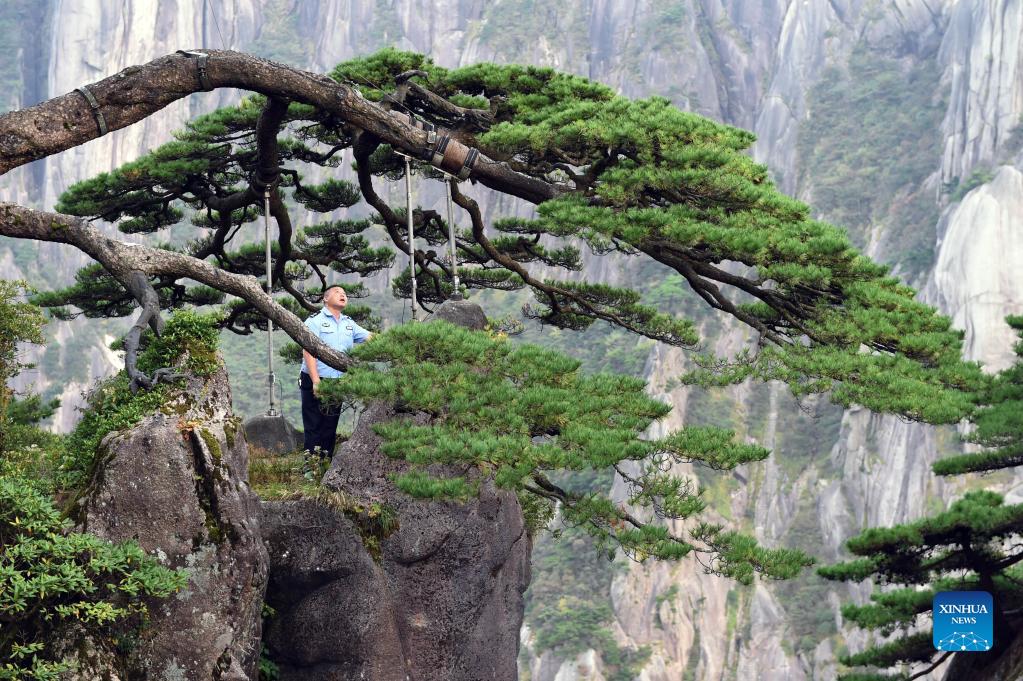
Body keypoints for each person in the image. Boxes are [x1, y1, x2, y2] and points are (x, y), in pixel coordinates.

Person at [299, 284, 372, 458]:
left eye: (345, 293)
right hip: (315, 378)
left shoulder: (349, 323)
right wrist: (316, 381)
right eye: (338, 292)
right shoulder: (315, 320)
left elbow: (370, 337)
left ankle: (326, 463)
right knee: (313, 423)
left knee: (330, 424)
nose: (343, 295)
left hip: (337, 381)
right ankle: (310, 466)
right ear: (325, 298)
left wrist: (399, 339)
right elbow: (308, 350)